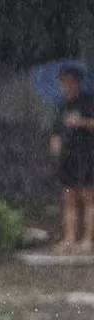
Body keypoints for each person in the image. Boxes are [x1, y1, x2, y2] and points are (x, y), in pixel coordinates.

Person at [50, 65, 94, 253]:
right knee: (68, 198)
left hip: (86, 155)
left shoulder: (88, 103)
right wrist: (55, 142)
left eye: (69, 82)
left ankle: (88, 239)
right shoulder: (62, 107)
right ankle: (69, 238)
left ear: (77, 82)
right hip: (67, 157)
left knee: (88, 197)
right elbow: (55, 130)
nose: (65, 86)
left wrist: (81, 122)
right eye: (63, 83)